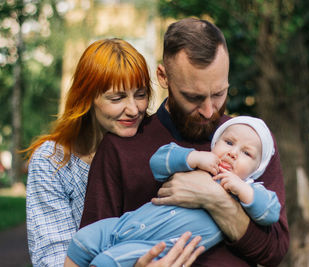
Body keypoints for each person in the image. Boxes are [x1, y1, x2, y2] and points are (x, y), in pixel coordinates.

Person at [81, 18, 289, 267]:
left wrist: (215, 199)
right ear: (163, 77)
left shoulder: (251, 143)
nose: (209, 111)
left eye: (219, 93)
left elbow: (274, 250)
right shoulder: (121, 148)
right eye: (194, 97)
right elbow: (89, 251)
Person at [25, 38, 202, 267]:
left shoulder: (159, 147)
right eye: (116, 98)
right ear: (86, 98)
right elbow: (54, 260)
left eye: (140, 94)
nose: (133, 109)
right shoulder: (52, 162)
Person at [65, 116, 281, 267]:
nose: (233, 153)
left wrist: (244, 190)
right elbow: (158, 161)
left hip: (156, 247)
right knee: (81, 241)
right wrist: (192, 158)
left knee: (107, 262)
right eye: (229, 142)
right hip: (126, 223)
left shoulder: (248, 188)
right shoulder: (198, 161)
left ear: (257, 168)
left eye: (246, 153)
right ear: (215, 143)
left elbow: (271, 211)